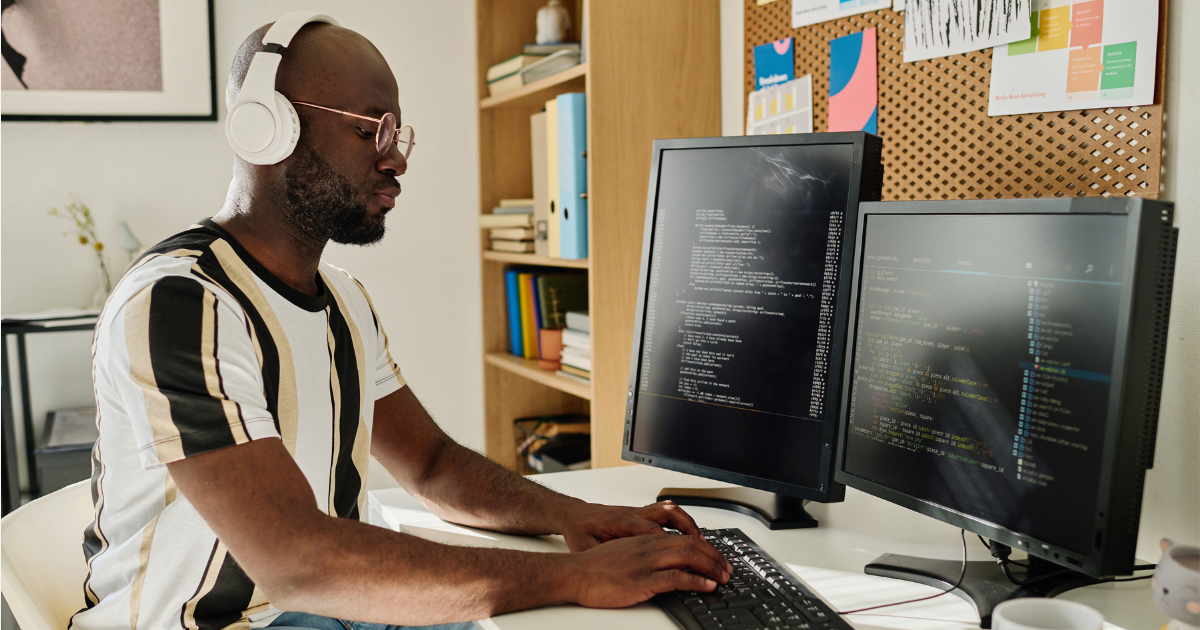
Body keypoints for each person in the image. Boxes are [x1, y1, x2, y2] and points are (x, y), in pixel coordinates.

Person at [71, 14, 730, 630]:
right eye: (369, 129)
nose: (396, 158)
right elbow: (299, 563)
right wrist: (576, 577)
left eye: (397, 132)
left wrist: (576, 518)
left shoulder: (345, 301)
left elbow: (435, 466)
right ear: (266, 128)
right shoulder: (182, 303)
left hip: (322, 611)